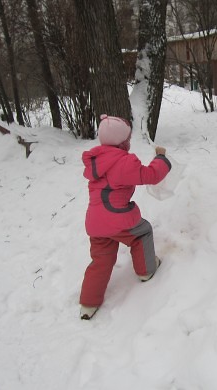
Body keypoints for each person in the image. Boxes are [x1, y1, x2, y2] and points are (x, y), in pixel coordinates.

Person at [79, 114, 172, 320]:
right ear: (121, 143)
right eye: (127, 140)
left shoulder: (97, 162)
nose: (129, 142)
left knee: (101, 260)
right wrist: (161, 159)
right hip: (118, 218)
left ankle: (88, 304)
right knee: (142, 232)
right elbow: (150, 175)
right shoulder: (122, 162)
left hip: (95, 223)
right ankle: (146, 270)